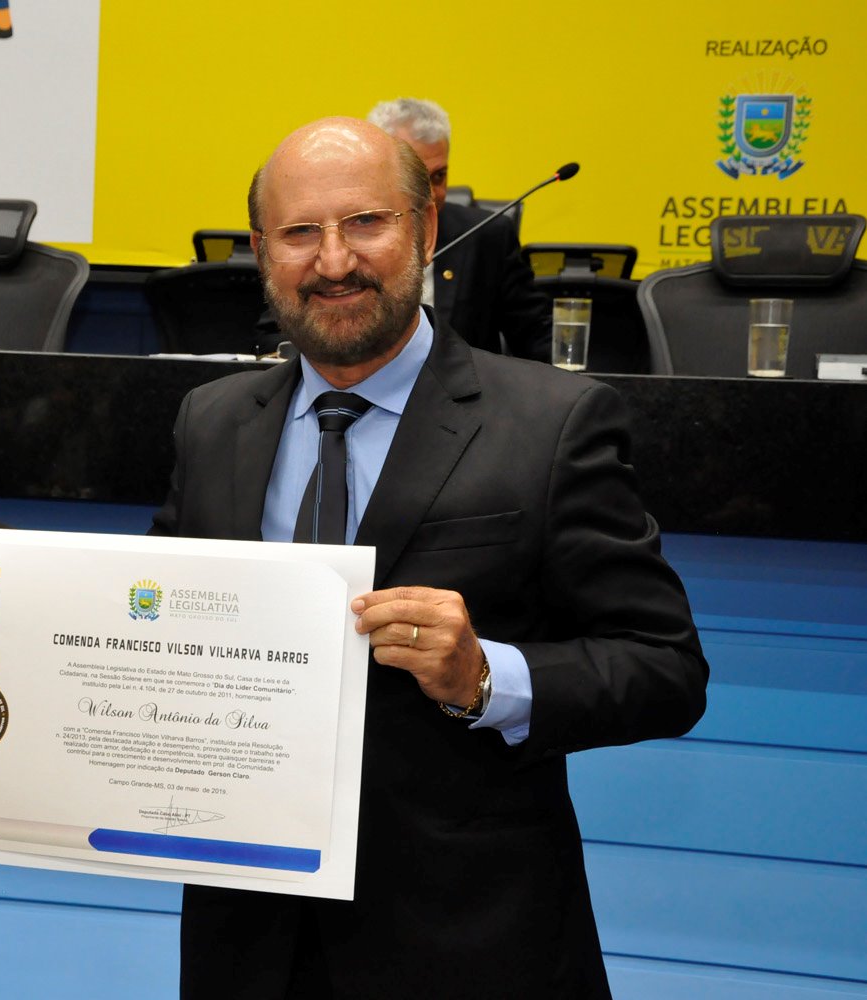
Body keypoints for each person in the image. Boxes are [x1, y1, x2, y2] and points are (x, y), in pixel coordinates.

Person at [152, 116, 707, 998]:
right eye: (299, 233)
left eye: (365, 222)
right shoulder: (211, 420)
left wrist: (487, 678)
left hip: (469, 940)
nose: (334, 261)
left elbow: (666, 668)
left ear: (426, 228)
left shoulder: (552, 424)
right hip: (248, 940)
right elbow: (147, 624)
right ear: (260, 251)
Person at [365, 96, 551, 361]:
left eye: (439, 176)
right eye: (417, 177)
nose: (431, 194)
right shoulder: (342, 241)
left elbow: (537, 342)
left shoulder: (486, 236)